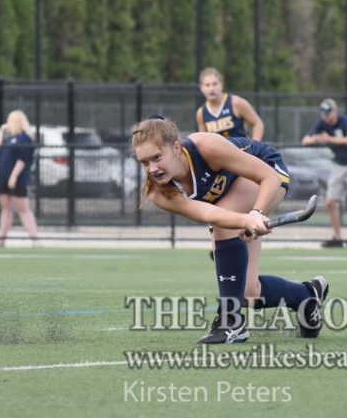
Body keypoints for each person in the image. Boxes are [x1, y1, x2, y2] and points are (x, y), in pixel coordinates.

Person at [131, 116, 329, 344]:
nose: (152, 169)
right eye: (144, 163)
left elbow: (268, 177)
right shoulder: (159, 192)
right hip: (230, 196)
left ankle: (230, 321)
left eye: (157, 157)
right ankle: (308, 297)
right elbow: (208, 214)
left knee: (223, 228)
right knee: (248, 293)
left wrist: (256, 213)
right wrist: (244, 220)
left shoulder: (206, 146)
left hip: (266, 170)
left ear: (176, 147)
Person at [302, 98, 347, 249]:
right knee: (330, 201)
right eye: (323, 114)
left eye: (328, 113)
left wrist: (328, 139)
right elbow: (305, 140)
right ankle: (337, 237)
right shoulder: (321, 124)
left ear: (335, 112)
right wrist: (316, 138)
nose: (326, 117)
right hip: (338, 165)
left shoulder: (345, 121)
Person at [0, 110, 38, 246]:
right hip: (3, 178)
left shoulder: (24, 138)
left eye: (10, 120)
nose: (7, 122)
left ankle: (34, 239)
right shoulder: (8, 139)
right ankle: (1, 239)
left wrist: (13, 177)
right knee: (6, 208)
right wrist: (1, 131)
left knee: (23, 209)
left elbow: (22, 159)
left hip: (16, 179)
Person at [195, 67, 264, 140]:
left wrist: (255, 146)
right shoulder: (201, 113)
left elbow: (258, 123)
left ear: (221, 84)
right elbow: (203, 140)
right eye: (207, 85)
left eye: (215, 84)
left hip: (240, 149)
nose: (211, 88)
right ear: (201, 88)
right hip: (218, 151)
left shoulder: (236, 103)